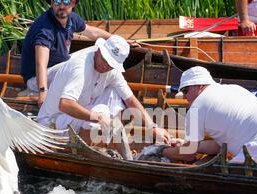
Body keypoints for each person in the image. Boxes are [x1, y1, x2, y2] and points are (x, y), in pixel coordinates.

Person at [37, 35, 170, 154]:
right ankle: (85, 152)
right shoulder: (80, 67)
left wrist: (153, 128)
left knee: (113, 93)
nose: (106, 67)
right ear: (99, 50)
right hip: (52, 123)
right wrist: (97, 117)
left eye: (111, 65)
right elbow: (65, 105)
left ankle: (118, 150)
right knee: (102, 111)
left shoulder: (111, 71)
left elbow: (130, 100)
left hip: (72, 118)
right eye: (105, 60)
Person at [162, 66, 257, 174]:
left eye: (185, 91)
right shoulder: (233, 88)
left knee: (224, 177)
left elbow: (188, 154)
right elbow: (220, 146)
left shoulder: (196, 108)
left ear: (198, 85)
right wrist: (187, 144)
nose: (184, 96)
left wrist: (162, 151)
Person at [21, 0, 137, 108]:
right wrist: (43, 91)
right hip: (38, 79)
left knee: (98, 51)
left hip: (59, 69)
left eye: (66, 1)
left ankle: (97, 90)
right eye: (56, 1)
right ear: (51, 3)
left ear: (73, 3)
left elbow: (93, 32)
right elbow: (41, 62)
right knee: (87, 59)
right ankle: (84, 97)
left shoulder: (71, 19)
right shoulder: (45, 29)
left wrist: (119, 42)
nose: (61, 6)